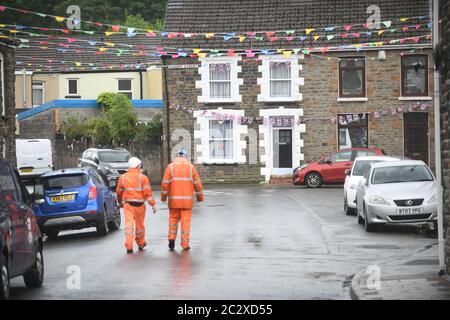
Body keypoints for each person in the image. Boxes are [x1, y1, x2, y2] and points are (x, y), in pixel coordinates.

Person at [161, 149, 203, 250]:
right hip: (186, 202)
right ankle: (185, 245)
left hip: (174, 202)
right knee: (185, 223)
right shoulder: (191, 168)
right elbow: (198, 185)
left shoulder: (170, 167)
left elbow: (164, 184)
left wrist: (163, 198)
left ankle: (171, 240)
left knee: (173, 221)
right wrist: (199, 198)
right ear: (185, 157)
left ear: (177, 157)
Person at [116, 157, 157, 254]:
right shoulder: (143, 178)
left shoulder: (123, 177)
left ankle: (129, 246)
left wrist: (119, 202)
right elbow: (148, 193)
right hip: (140, 206)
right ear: (137, 166)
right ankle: (141, 243)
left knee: (129, 226)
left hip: (128, 205)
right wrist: (153, 204)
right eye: (139, 165)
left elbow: (119, 192)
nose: (140, 167)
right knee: (140, 226)